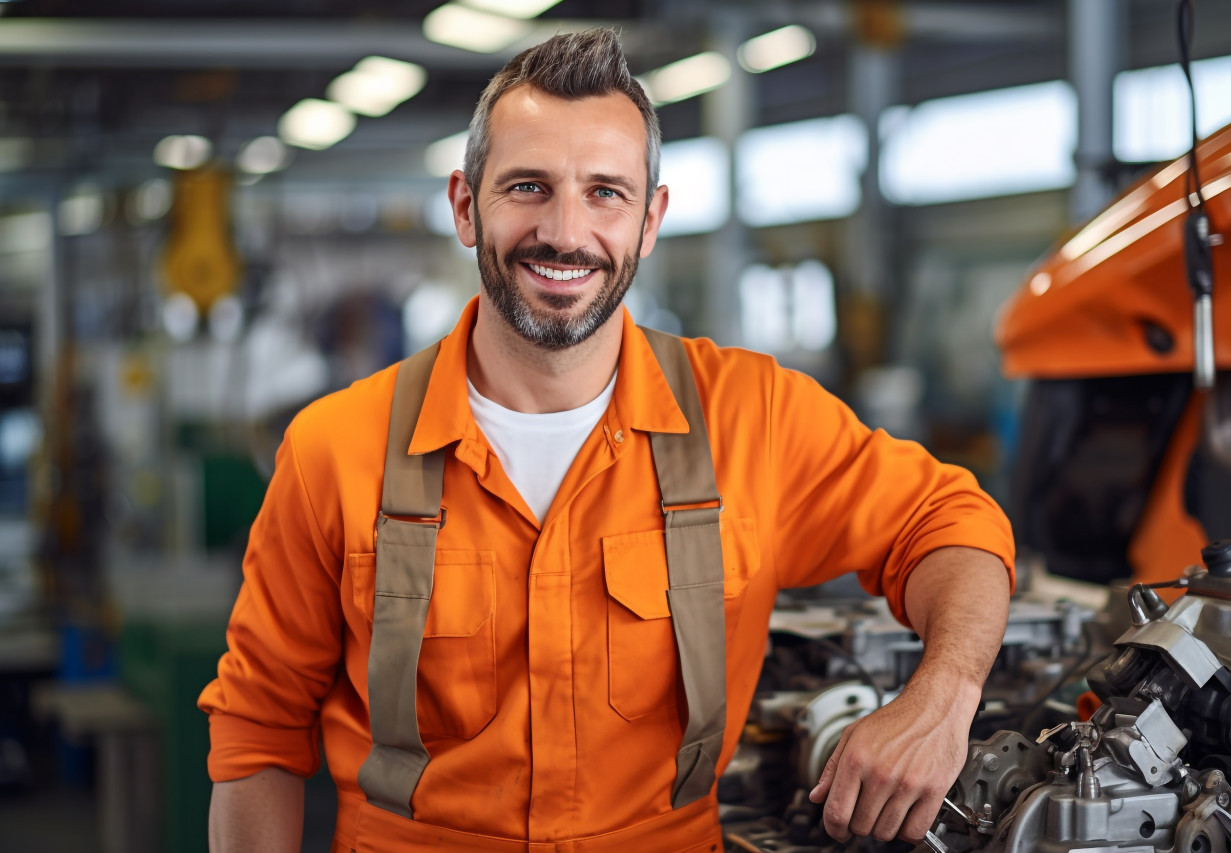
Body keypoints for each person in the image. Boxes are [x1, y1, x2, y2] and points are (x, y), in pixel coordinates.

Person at [200, 27, 1015, 853]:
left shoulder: (754, 416)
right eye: (527, 186)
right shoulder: (337, 448)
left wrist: (941, 701)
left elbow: (952, 525)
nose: (564, 231)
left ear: (650, 218)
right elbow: (258, 732)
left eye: (605, 192)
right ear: (463, 205)